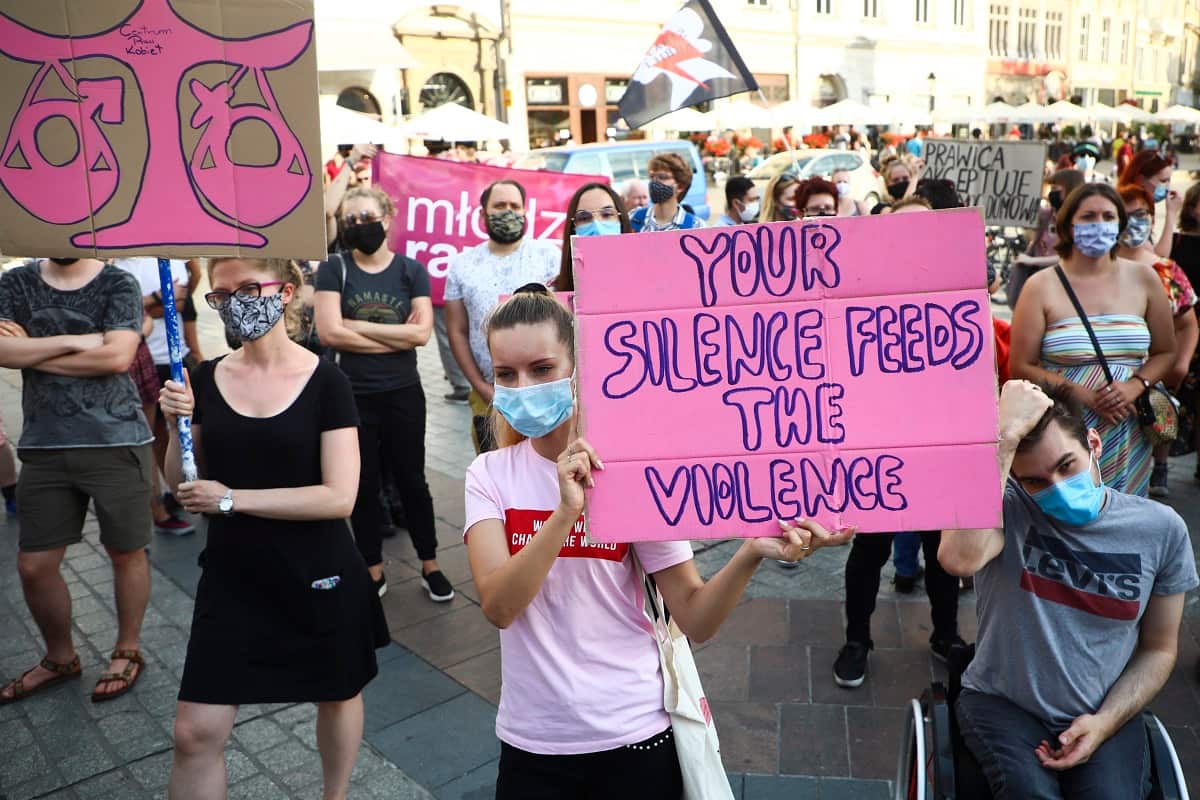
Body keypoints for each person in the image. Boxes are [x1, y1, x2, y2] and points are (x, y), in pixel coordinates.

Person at [463, 285, 854, 795]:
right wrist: (564, 514)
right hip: (535, 742)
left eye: (542, 369)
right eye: (506, 374)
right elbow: (498, 605)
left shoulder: (630, 475)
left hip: (637, 736)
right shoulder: (489, 475)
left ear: (578, 366)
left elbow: (694, 616)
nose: (524, 387)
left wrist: (752, 551)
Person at [160, 256, 389, 800]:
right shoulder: (201, 379)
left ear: (284, 292)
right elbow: (186, 489)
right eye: (220, 294)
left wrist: (235, 500)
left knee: (337, 693)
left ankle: (334, 795)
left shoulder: (326, 379)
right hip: (235, 578)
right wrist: (177, 428)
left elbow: (339, 497)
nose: (234, 301)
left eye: (247, 287)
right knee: (194, 732)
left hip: (320, 574)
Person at [939, 380, 1197, 800]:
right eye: (1037, 481)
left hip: (1101, 709)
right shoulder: (1008, 508)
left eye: (1067, 466)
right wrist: (1003, 439)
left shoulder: (1161, 531)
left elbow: (1159, 648)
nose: (1057, 487)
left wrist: (1106, 722)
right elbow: (958, 560)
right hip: (1001, 704)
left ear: (1093, 443)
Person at [0, 257, 153, 704]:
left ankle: (127, 649)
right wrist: (82, 341)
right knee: (34, 565)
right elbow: (3, 353)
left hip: (116, 438)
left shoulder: (116, 282)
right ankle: (60, 657)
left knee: (125, 552)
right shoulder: (16, 282)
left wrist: (37, 349)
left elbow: (118, 356)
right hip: (44, 443)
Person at [313, 186, 450, 602]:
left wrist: (355, 327)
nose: (359, 225)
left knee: (413, 481)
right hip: (352, 396)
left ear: (387, 217)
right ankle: (371, 566)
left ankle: (431, 563)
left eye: (366, 216)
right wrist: (398, 336)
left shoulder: (411, 270)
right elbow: (329, 332)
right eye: (350, 219)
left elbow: (423, 334)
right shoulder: (334, 269)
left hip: (403, 393)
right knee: (363, 483)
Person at [1010, 183, 1176, 497]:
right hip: (1066, 426)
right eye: (1088, 217)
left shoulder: (1145, 278)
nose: (1098, 224)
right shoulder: (1040, 286)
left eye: (1108, 216)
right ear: (1069, 225)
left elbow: (1165, 352)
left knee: (1122, 512)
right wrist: (1084, 396)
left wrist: (1134, 386)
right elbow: (1021, 364)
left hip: (1126, 426)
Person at [444, 179, 560, 454]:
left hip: (546, 393)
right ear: (483, 214)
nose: (508, 211)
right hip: (489, 395)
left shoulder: (548, 257)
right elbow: (457, 331)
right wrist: (481, 387)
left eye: (514, 206)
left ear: (524, 211)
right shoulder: (462, 265)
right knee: (496, 476)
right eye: (499, 206)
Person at [1115, 184, 1199, 497]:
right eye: (1125, 215)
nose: (1134, 222)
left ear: (1152, 219)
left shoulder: (1164, 270)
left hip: (1150, 374)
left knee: (1154, 426)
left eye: (1141, 215)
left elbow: (1188, 323)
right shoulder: (1090, 268)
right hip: (1102, 388)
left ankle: (1158, 468)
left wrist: (1178, 364)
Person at [113, 257, 197, 536]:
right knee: (145, 439)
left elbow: (179, 305)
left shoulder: (167, 256)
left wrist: (146, 303)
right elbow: (113, 313)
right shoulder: (113, 265)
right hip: (135, 362)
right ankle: (157, 510)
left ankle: (177, 492)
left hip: (172, 359)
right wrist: (156, 299)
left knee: (170, 434)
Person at [1010, 170, 1087, 310]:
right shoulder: (1048, 214)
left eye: (1056, 189)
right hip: (1038, 277)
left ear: (1071, 190)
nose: (1052, 194)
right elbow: (1025, 218)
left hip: (1060, 283)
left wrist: (1032, 261)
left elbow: (1070, 256)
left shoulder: (1078, 221)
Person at [554, 183, 632, 291]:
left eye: (607, 214)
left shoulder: (646, 281)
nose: (596, 224)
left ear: (622, 220)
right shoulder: (554, 294)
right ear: (573, 228)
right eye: (584, 217)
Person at [1119, 150, 1182, 258]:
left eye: (1169, 181)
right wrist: (1171, 213)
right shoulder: (1134, 207)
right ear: (1141, 179)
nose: (1167, 187)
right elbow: (1158, 257)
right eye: (1163, 181)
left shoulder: (1142, 203)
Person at [630, 153, 704, 232]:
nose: (654, 182)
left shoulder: (695, 226)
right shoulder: (634, 218)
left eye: (662, 177)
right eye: (652, 177)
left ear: (680, 186)